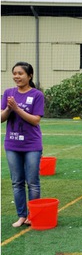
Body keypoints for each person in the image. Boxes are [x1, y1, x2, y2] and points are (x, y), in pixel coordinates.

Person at [1, 62, 45, 227]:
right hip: (12, 145)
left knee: (32, 181)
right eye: (15, 73)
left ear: (29, 76)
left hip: (32, 145)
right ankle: (21, 215)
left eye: (20, 73)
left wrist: (17, 109)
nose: (17, 76)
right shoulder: (8, 93)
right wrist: (8, 109)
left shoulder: (37, 95)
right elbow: (1, 118)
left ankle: (33, 215)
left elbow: (35, 120)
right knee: (16, 181)